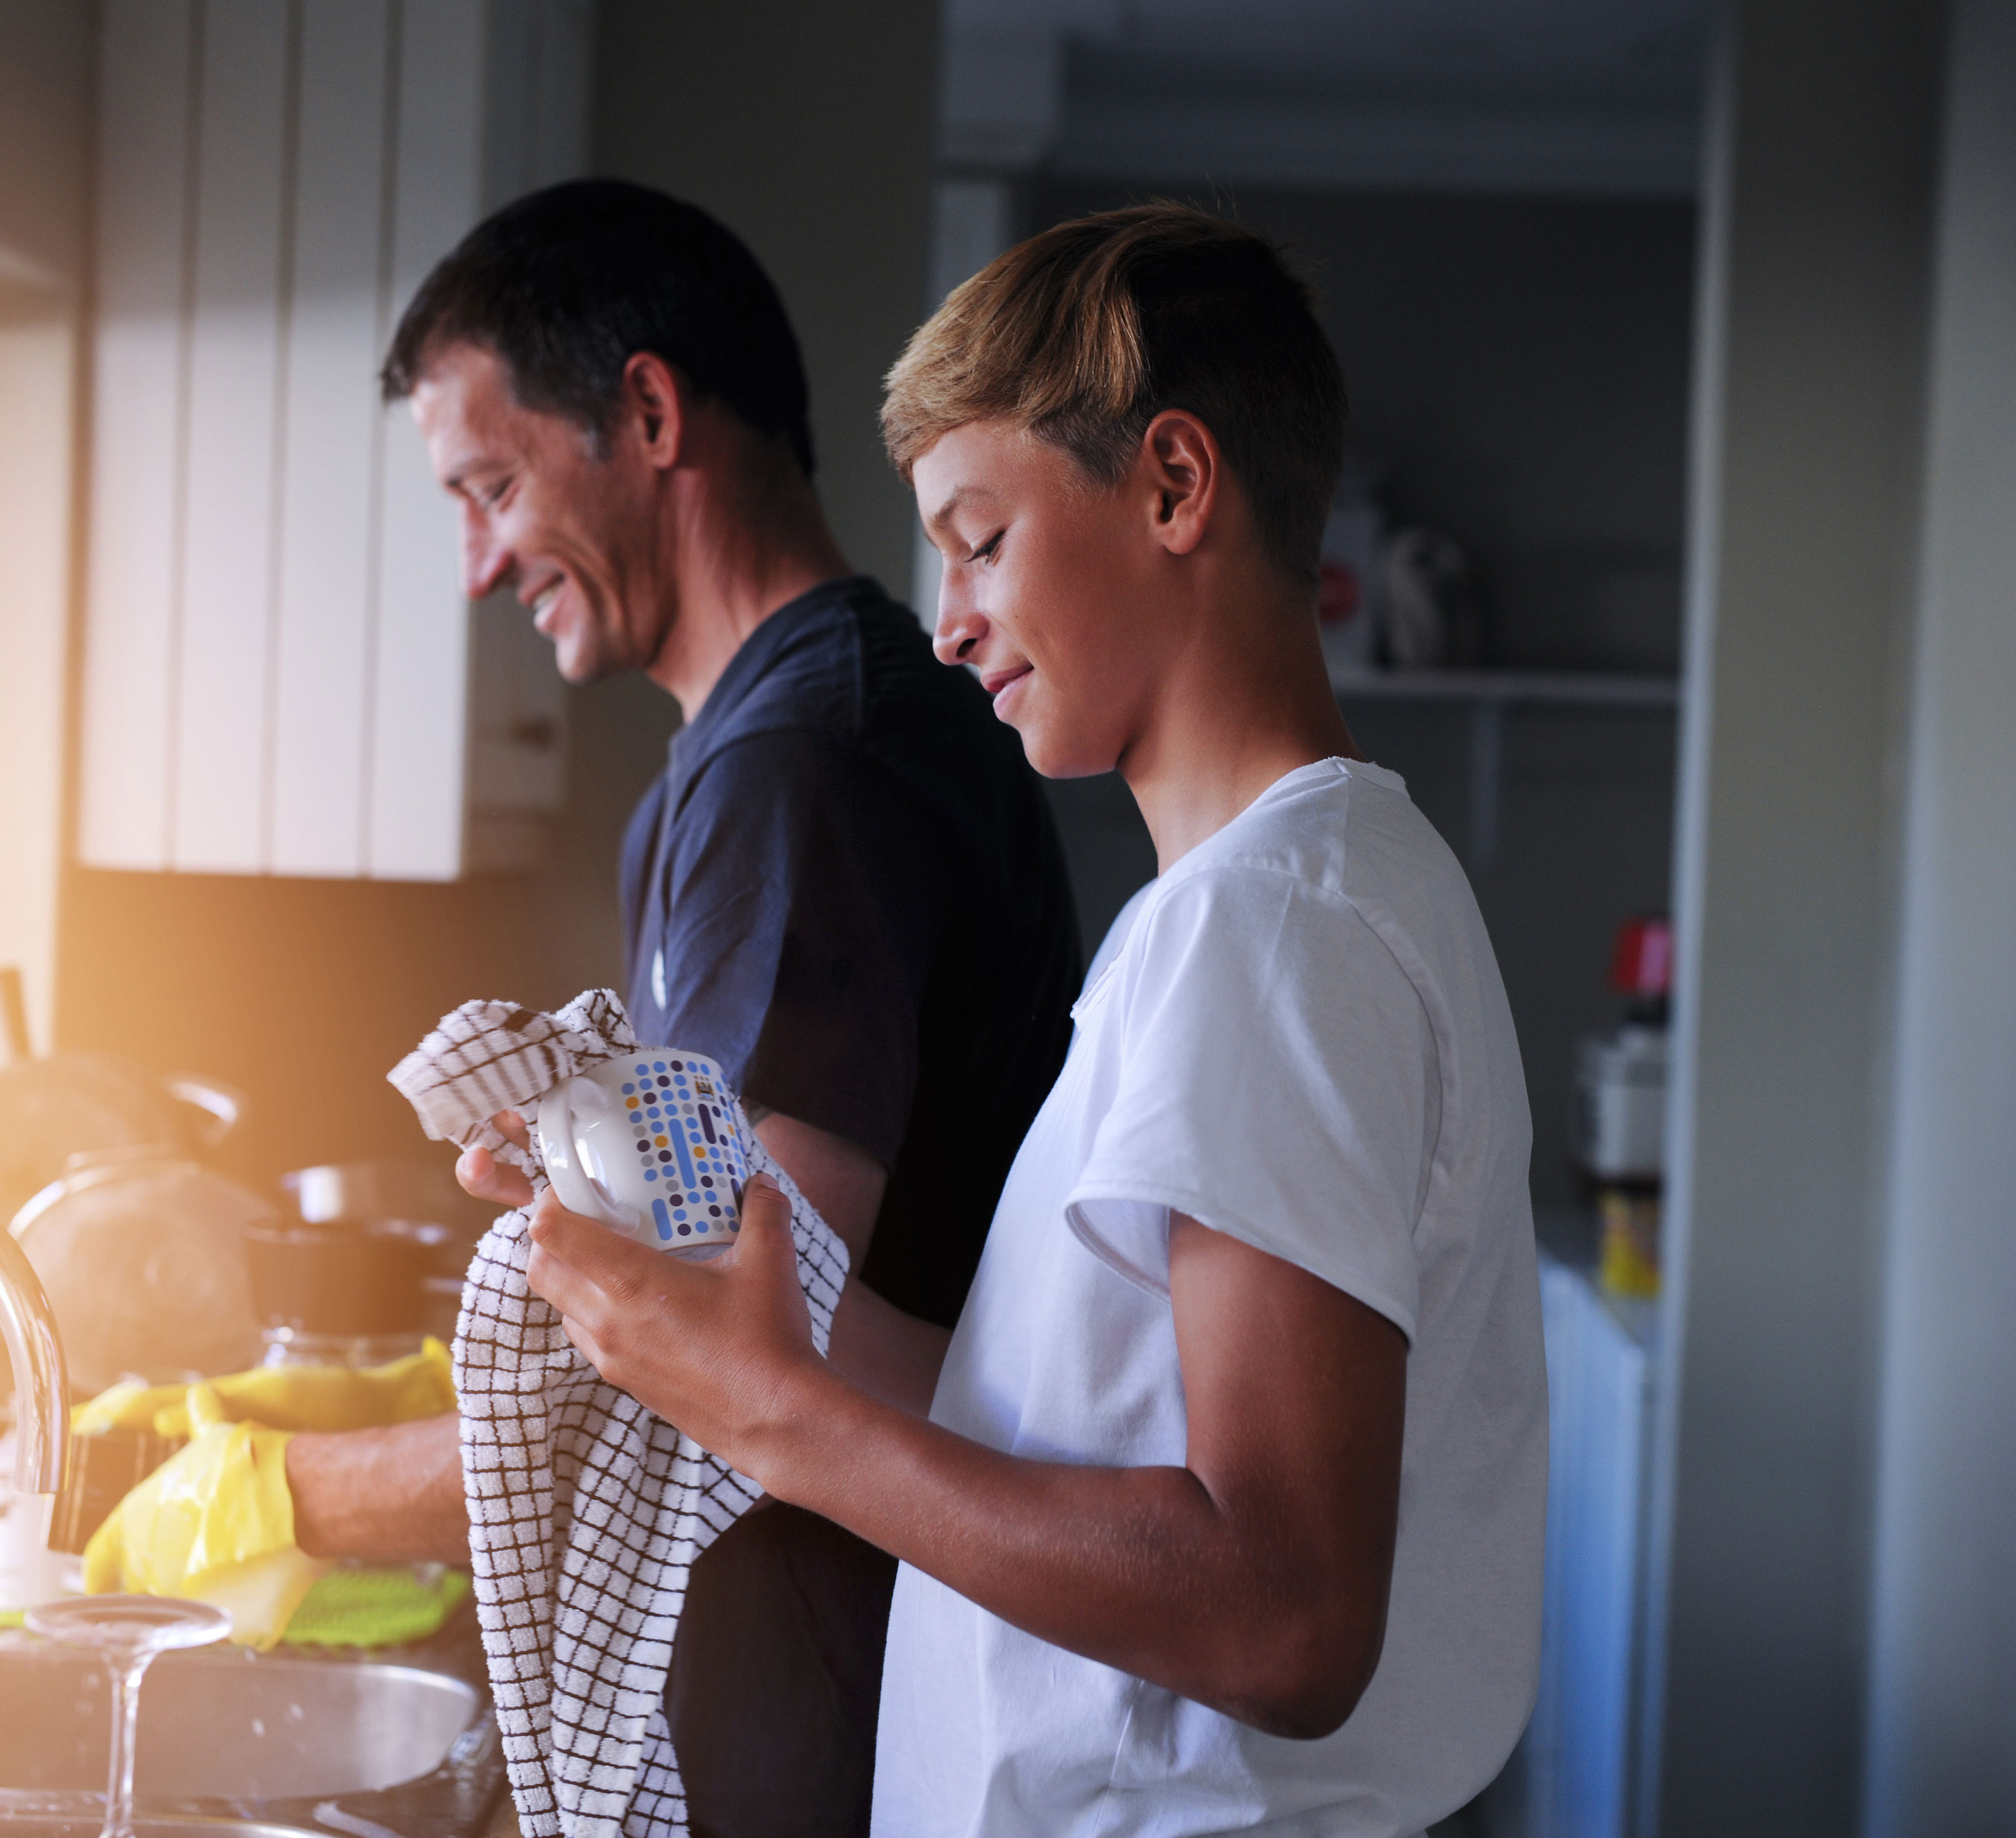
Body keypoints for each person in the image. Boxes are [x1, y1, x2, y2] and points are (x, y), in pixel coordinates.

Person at [520, 203, 1549, 1834]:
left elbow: (1282, 1617)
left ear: (1172, 484)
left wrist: (780, 1424)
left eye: (980, 538)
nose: (949, 622)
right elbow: (1048, 1423)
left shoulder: (1265, 929)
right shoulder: (1265, 904)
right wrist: (716, 1309)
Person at [280, 179, 1082, 1834]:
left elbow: (721, 1351)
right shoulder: (751, 757)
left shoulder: (803, 768)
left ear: (647, 413)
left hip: (822, 1720)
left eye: (492, 485)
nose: (477, 560)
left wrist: (293, 1494)